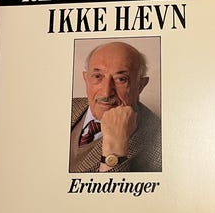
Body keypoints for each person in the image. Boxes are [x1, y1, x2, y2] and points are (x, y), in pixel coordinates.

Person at [69, 41, 161, 172]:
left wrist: (116, 150)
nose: (106, 92)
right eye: (97, 76)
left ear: (141, 85)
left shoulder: (159, 146)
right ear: (86, 78)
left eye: (121, 79)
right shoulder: (70, 106)